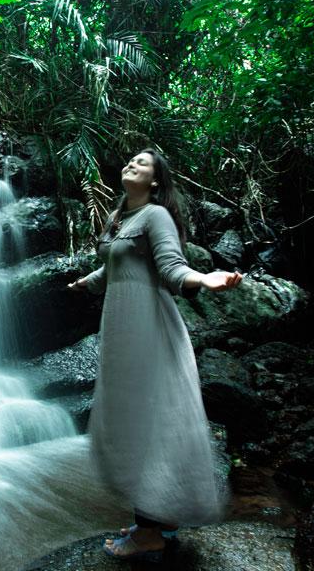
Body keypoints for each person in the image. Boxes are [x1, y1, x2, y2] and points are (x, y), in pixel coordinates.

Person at [69, 148, 242, 562]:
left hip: (146, 326)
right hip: (122, 329)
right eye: (129, 160)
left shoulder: (155, 216)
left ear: (156, 182)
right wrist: (85, 283)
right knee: (133, 417)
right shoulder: (120, 219)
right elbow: (113, 268)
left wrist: (204, 278)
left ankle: (150, 532)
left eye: (142, 163)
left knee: (150, 419)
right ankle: (154, 518)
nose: (131, 163)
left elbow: (170, 268)